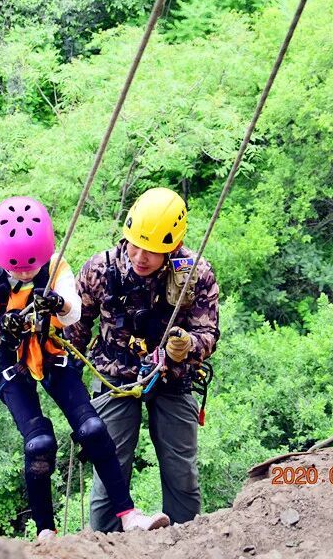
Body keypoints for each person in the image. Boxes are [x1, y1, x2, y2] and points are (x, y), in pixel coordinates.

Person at [0, 196, 169, 541]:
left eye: (31, 267)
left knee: (92, 428)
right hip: (15, 367)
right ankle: (46, 531)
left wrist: (57, 303)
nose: (25, 273)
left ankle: (129, 514)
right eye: (17, 269)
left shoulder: (56, 268)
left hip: (52, 356)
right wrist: (1, 326)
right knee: (39, 444)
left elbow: (73, 312)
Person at [64, 187, 220, 532]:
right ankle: (104, 546)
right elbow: (75, 327)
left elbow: (208, 333)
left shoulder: (194, 274)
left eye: (152, 251)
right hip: (114, 373)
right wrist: (68, 384)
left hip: (172, 375)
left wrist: (188, 345)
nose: (140, 256)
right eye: (135, 245)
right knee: (109, 472)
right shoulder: (100, 270)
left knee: (181, 472)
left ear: (174, 246)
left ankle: (187, 542)